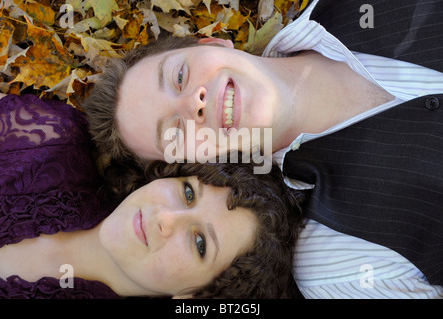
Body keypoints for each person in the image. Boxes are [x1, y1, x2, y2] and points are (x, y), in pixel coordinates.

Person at [82, 0, 443, 298]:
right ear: (201, 166)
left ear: (211, 45)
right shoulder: (342, 261)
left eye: (179, 77)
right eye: (175, 132)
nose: (194, 102)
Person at [0, 92, 304, 298]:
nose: (165, 218)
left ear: (195, 295)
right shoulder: (50, 143)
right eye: (187, 192)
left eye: (199, 243)